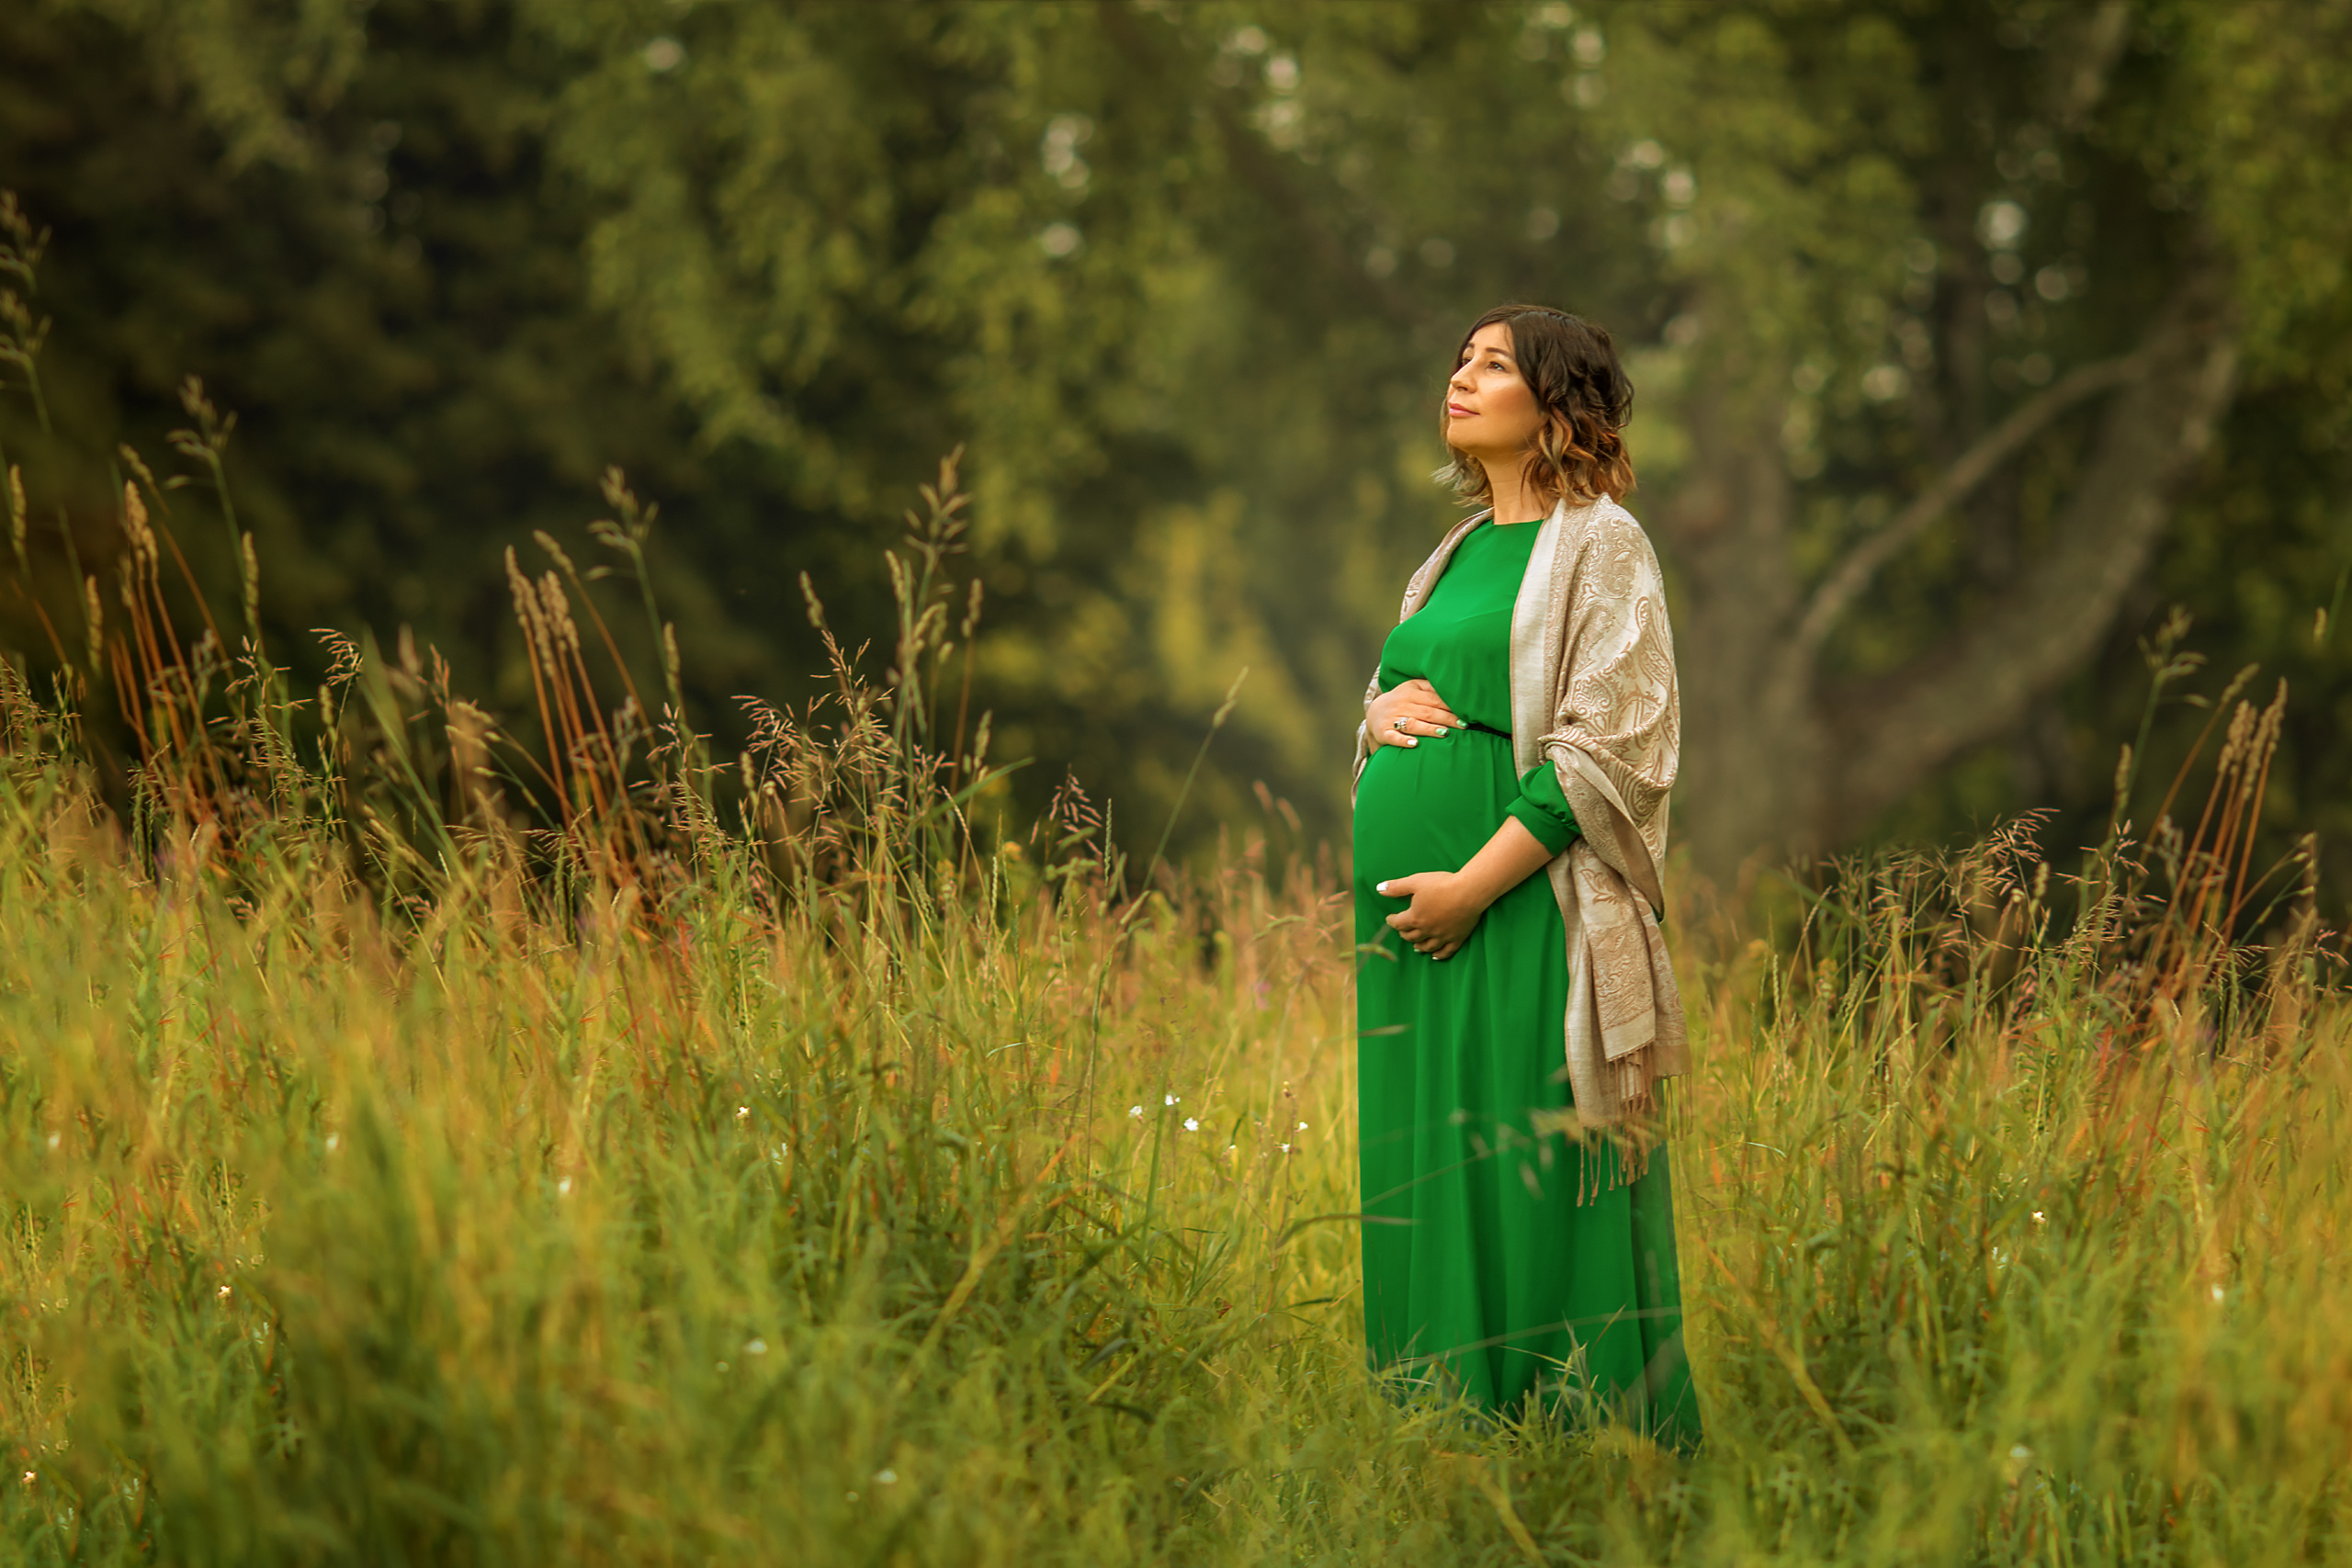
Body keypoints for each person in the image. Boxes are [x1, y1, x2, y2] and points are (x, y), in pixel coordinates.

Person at [1351, 303, 1698, 1440]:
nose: (1458, 376)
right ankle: (1436, 1422)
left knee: (1531, 1157)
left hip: (1519, 915)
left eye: (1491, 364)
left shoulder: (1601, 542)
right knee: (1427, 1162)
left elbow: (1611, 743)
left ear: (1557, 405)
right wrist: (1380, 714)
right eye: (1458, 357)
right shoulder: (1448, 555)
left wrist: (1470, 886)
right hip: (1412, 945)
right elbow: (1417, 696)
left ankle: (1574, 1431)